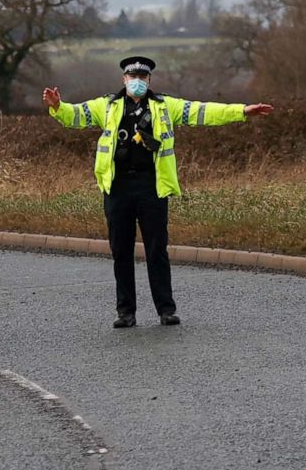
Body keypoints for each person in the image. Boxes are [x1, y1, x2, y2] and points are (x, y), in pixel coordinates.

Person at [44, 56, 273, 328]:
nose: (137, 82)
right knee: (121, 251)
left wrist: (241, 111)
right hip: (117, 188)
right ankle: (125, 312)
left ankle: (166, 309)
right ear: (124, 80)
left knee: (157, 250)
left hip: (152, 186)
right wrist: (58, 106)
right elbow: (75, 116)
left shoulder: (165, 107)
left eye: (143, 78)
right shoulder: (107, 106)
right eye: (133, 77)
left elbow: (202, 111)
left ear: (149, 80)